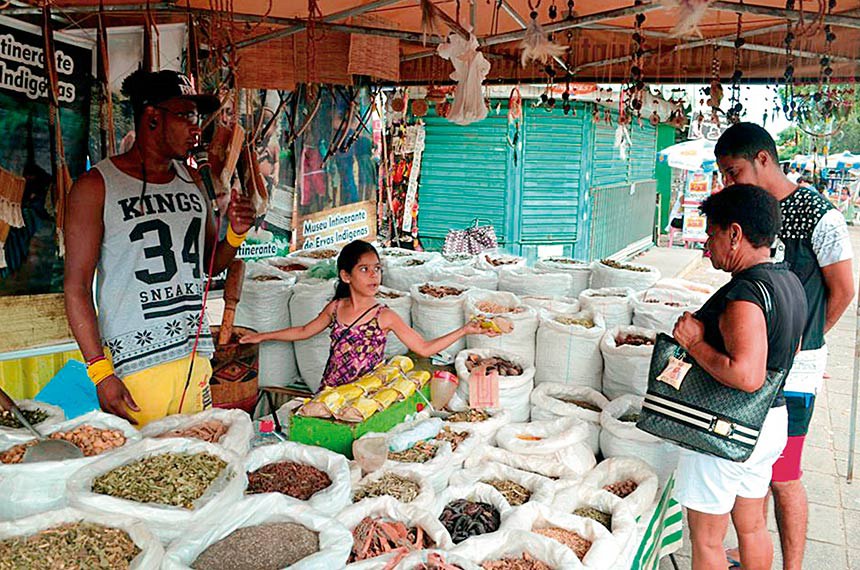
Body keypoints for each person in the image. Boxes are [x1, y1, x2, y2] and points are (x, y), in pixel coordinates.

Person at [64, 70, 256, 427]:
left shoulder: (194, 179)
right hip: (136, 367)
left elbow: (209, 264)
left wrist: (235, 235)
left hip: (194, 357)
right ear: (152, 117)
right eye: (186, 116)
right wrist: (100, 372)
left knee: (198, 466)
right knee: (142, 474)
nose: (196, 128)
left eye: (197, 117)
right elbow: (76, 288)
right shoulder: (96, 187)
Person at [714, 122, 855, 570]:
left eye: (733, 172)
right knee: (747, 463)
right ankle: (748, 550)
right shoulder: (755, 212)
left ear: (763, 159)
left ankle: (791, 565)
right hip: (754, 365)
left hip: (795, 371)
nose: (728, 183)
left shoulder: (819, 214)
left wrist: (806, 340)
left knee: (784, 475)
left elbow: (843, 289)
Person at [672, 184, 807, 570]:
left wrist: (695, 343)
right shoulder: (788, 281)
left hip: (727, 427)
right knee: (751, 528)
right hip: (770, 420)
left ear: (734, 233)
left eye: (710, 234)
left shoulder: (746, 293)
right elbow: (790, 350)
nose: (706, 246)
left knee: (708, 540)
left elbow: (747, 375)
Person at [240, 240, 495, 389]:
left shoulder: (384, 316)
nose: (374, 275)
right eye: (364, 269)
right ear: (345, 276)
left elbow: (425, 349)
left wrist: (465, 330)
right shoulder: (336, 308)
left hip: (366, 396)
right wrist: (262, 336)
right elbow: (304, 331)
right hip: (330, 390)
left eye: (376, 269)